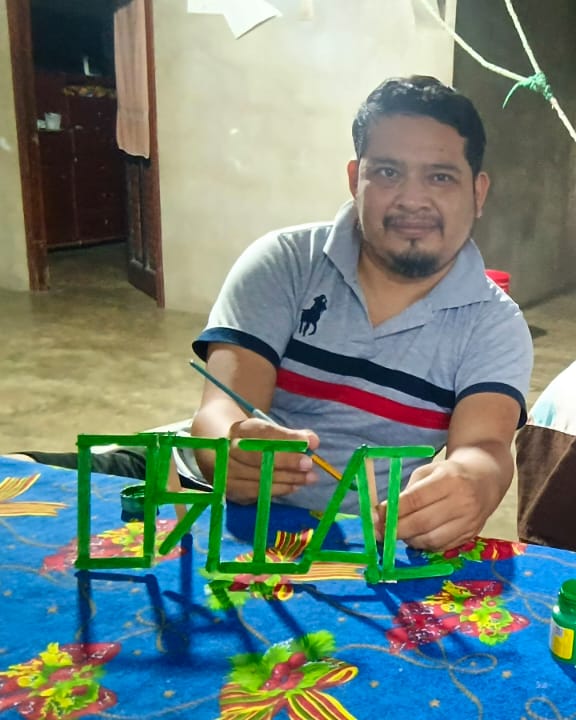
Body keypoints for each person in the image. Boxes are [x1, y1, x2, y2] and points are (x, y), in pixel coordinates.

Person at [11, 76, 533, 552]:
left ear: (477, 192)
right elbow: (219, 412)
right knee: (19, 490)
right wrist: (230, 451)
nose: (412, 199)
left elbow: (485, 448)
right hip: (189, 488)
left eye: (440, 177)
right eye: (388, 172)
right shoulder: (284, 263)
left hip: (345, 543)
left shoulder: (495, 324)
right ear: (356, 178)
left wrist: (472, 483)